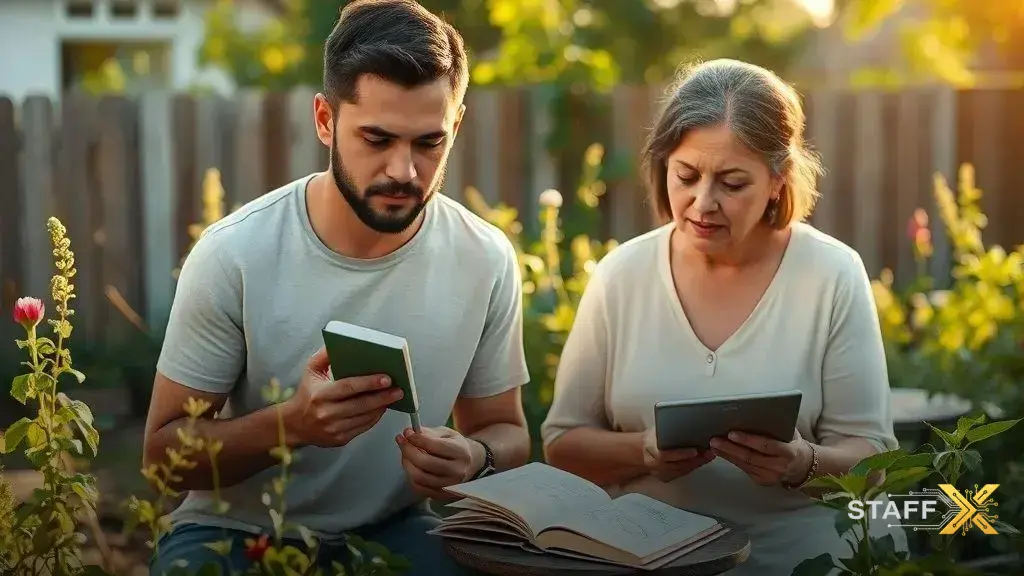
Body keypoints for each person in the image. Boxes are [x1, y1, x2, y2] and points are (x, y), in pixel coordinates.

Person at [143, 1, 530, 574]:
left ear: (457, 125)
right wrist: (290, 425)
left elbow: (508, 431)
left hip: (396, 530)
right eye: (376, 138)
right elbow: (160, 458)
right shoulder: (236, 253)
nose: (404, 170)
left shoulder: (486, 257)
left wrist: (476, 456)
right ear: (325, 119)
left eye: (429, 143)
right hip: (234, 530)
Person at [540, 58, 907, 575]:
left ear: (778, 180)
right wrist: (641, 451)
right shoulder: (621, 276)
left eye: (732, 183)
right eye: (685, 175)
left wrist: (803, 464)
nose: (702, 203)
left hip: (801, 560)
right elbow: (562, 445)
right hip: (647, 558)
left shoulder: (831, 274)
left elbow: (874, 463)